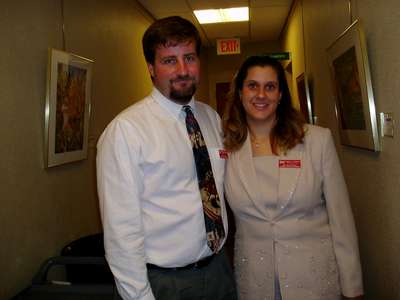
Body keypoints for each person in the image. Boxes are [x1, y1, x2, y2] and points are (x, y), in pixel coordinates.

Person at [96, 16, 237, 300]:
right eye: (169, 61)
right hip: (164, 283)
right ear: (151, 68)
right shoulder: (126, 131)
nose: (183, 70)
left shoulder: (210, 118)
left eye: (189, 57)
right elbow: (121, 234)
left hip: (219, 270)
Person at [222, 55, 363, 300]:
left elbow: (342, 221)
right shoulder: (226, 148)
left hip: (314, 280)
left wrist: (353, 287)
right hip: (254, 282)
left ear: (280, 95)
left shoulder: (317, 141)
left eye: (270, 87)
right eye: (253, 85)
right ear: (240, 93)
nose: (261, 95)